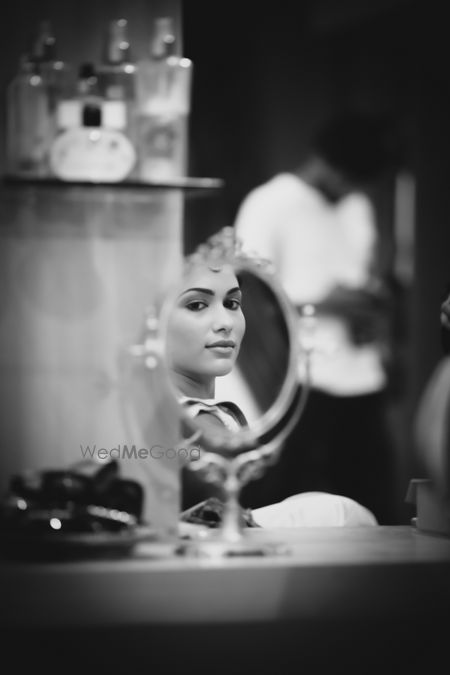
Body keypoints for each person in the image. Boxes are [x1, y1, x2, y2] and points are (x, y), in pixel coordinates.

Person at [234, 110, 403, 524]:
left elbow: (358, 272)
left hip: (360, 375)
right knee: (292, 501)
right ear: (323, 159)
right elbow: (246, 296)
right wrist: (322, 304)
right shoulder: (270, 202)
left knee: (369, 497)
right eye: (345, 176)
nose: (348, 188)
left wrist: (370, 302)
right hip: (300, 380)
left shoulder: (357, 204)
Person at [166, 230, 378, 528]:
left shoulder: (233, 414)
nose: (225, 323)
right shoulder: (149, 423)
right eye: (197, 305)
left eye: (232, 304)